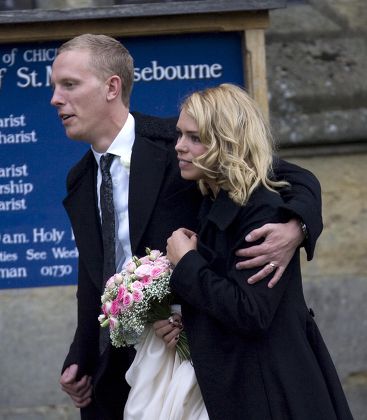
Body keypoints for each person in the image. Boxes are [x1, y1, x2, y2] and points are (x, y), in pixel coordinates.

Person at [50, 34, 323, 420]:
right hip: (120, 363)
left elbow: (283, 174)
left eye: (69, 85)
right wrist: (81, 355)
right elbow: (94, 275)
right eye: (54, 87)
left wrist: (297, 225)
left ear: (112, 87)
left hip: (203, 362)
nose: (55, 99)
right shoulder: (78, 181)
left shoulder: (181, 144)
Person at [161, 83, 353, 419]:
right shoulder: (216, 199)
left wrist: (187, 262)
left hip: (271, 391)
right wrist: (187, 318)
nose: (179, 147)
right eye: (180, 135)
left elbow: (250, 312)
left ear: (227, 142)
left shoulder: (260, 209)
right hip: (245, 383)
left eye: (194, 138)